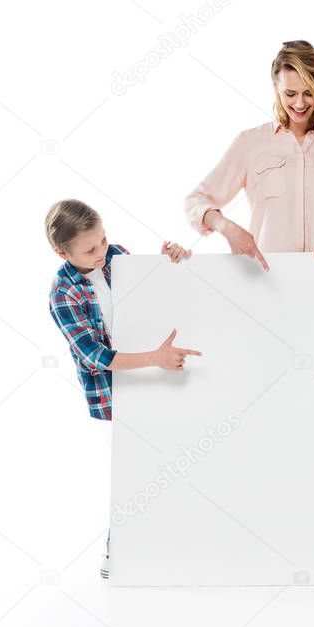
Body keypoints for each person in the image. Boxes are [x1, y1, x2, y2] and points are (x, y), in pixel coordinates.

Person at [46, 199, 202, 578]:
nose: (102, 253)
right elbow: (95, 356)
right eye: (90, 249)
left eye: (103, 240)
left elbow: (150, 298)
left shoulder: (119, 257)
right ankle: (119, 552)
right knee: (136, 472)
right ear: (62, 252)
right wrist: (154, 359)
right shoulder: (62, 294)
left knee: (177, 458)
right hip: (117, 388)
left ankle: (182, 544)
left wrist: (171, 259)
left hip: (157, 372)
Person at [184, 40, 314, 268]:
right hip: (266, 280)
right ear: (276, 88)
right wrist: (228, 228)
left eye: (309, 93)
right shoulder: (250, 142)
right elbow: (194, 202)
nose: (299, 103)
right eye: (290, 93)